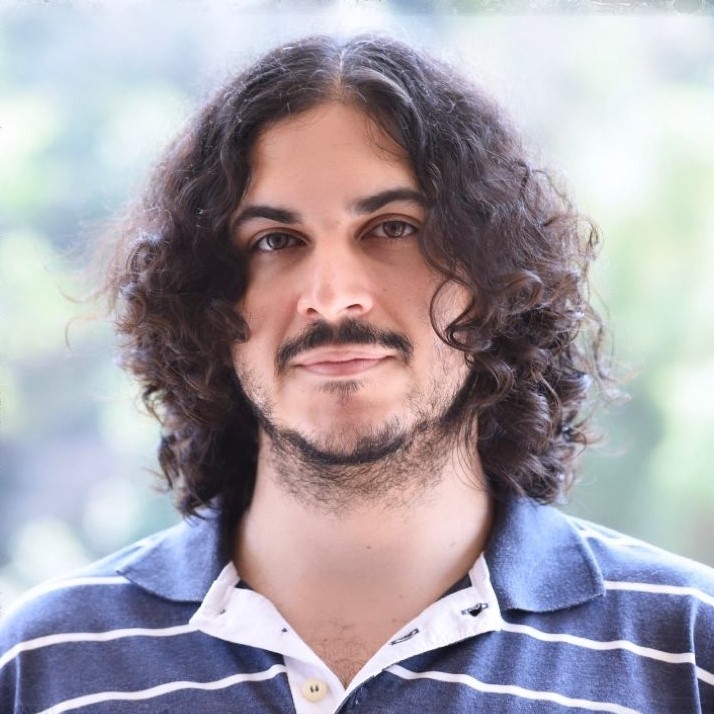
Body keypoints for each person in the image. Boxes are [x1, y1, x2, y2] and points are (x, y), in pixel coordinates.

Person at [1, 34, 712, 714]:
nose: (332, 295)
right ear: (208, 301)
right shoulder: (43, 665)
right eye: (276, 240)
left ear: (493, 277)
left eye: (393, 228)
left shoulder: (688, 650)